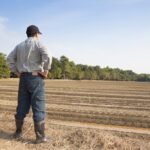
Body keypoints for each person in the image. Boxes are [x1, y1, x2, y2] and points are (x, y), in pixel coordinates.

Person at [7, 25, 52, 144]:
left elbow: (9, 59)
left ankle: (17, 132)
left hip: (23, 78)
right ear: (36, 33)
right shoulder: (39, 44)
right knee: (38, 105)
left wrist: (16, 71)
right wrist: (46, 70)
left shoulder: (19, 46)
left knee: (22, 104)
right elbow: (47, 56)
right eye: (39, 34)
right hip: (36, 77)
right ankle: (40, 137)